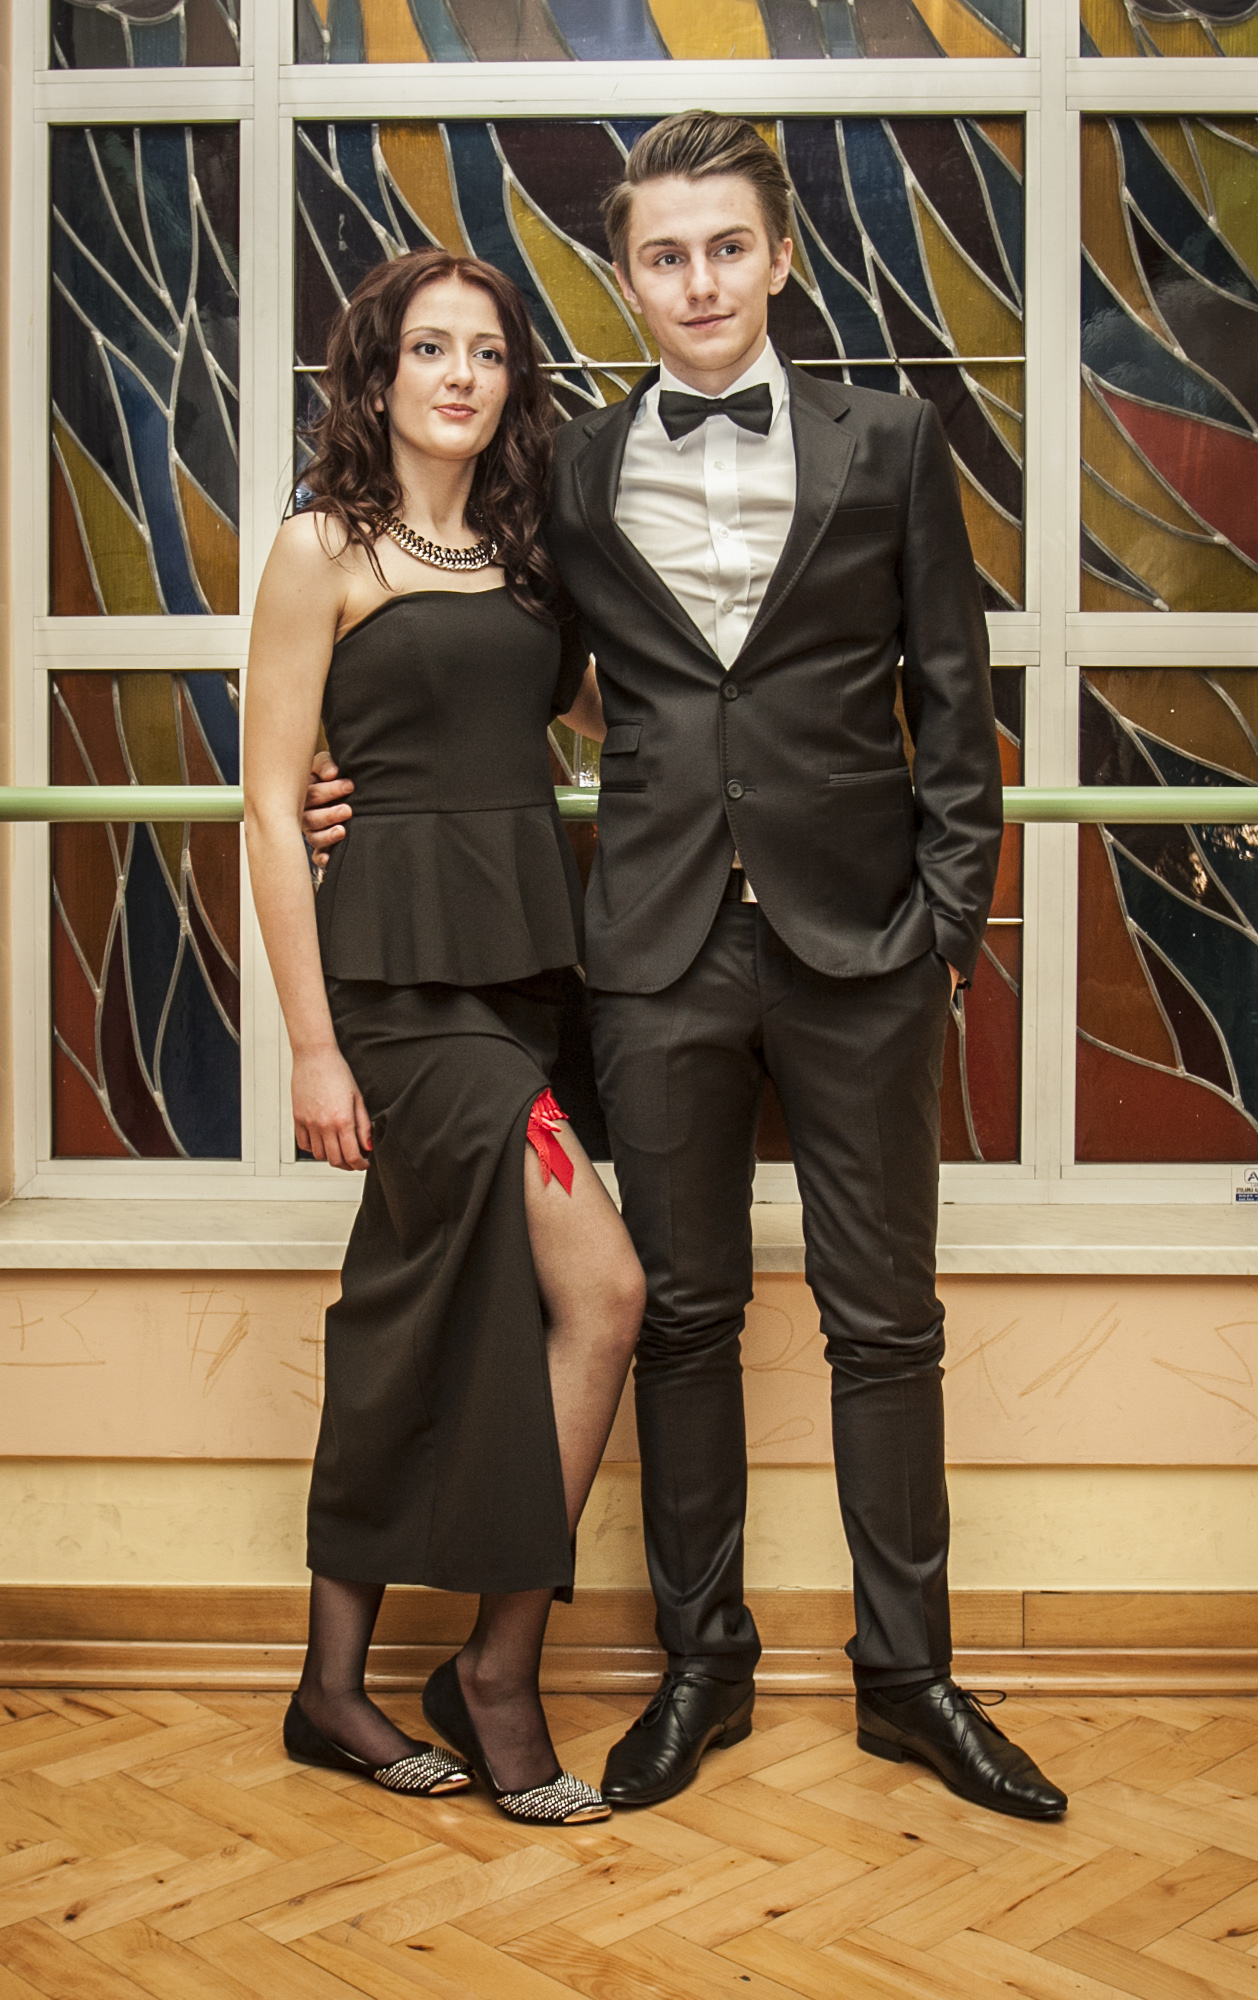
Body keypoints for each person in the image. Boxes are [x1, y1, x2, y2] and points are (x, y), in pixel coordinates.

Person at [303, 114, 1064, 1823]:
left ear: (777, 256)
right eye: (664, 255)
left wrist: (945, 934)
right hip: (648, 951)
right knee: (684, 1316)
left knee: (886, 1325)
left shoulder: (893, 440)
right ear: (627, 279)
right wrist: (339, 776)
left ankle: (910, 1680)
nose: (699, 280)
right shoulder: (565, 476)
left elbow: (956, 704)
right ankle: (698, 1666)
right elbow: (474, 656)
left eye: (726, 247)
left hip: (864, 947)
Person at [244, 247, 644, 1826]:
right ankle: (496, 1671)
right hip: (397, 996)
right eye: (430, 347)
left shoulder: (534, 558)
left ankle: (331, 1685)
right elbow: (270, 807)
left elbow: (608, 713)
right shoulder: (320, 549)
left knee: (410, 1314)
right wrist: (310, 1048)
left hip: (520, 972)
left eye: (486, 349)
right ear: (380, 371)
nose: (460, 373)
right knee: (602, 1292)